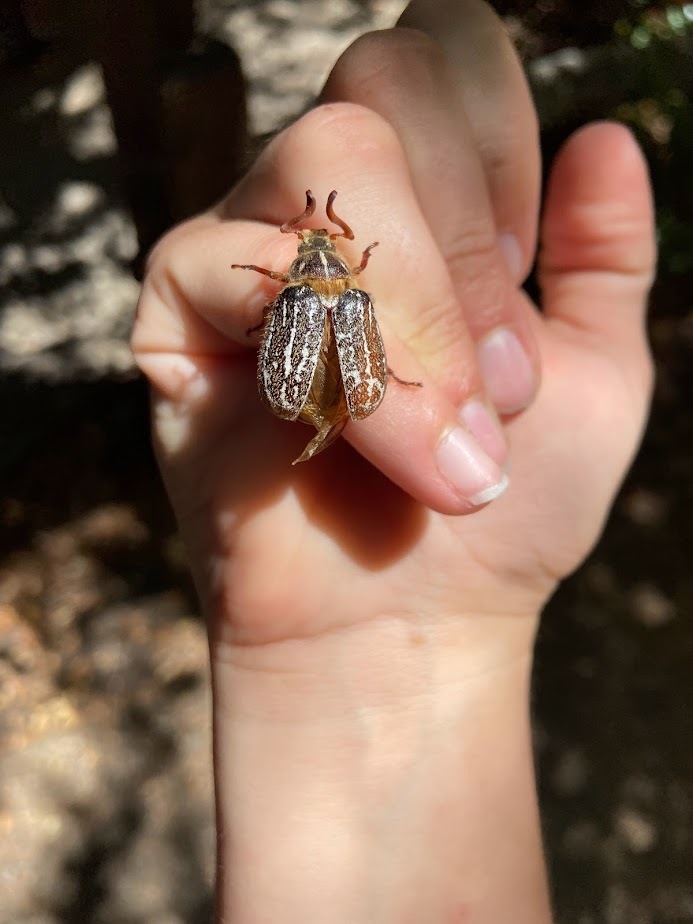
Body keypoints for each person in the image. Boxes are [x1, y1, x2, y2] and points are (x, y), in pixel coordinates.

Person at [131, 1, 656, 920]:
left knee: (347, 353)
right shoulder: (311, 275)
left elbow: (316, 299)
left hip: (336, 366)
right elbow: (310, 289)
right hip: (317, 369)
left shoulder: (307, 278)